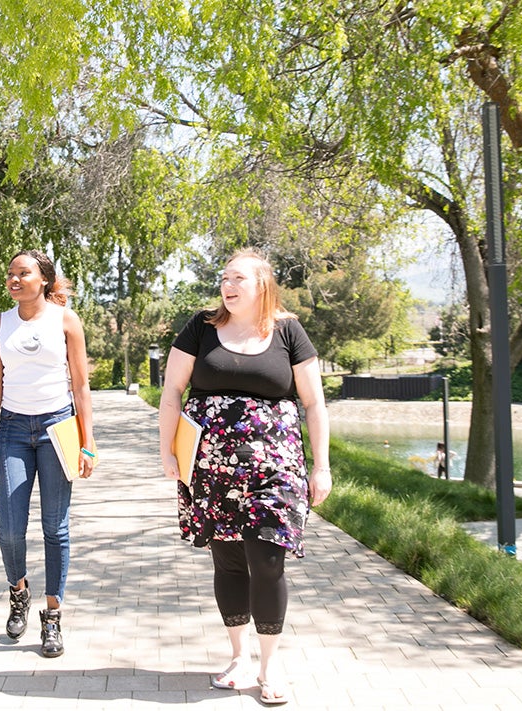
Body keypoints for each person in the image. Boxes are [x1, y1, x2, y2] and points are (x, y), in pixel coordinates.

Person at [158, 249, 331, 707]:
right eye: (223, 278)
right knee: (229, 561)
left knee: (268, 559)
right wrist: (168, 450)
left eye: (238, 278)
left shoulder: (288, 330)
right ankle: (239, 656)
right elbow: (173, 392)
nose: (227, 286)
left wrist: (322, 465)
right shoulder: (202, 327)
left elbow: (313, 403)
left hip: (275, 466)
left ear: (262, 284)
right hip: (211, 466)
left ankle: (269, 665)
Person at [0, 249, 96, 658]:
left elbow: (80, 385)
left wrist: (87, 440)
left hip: (57, 427)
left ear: (43, 278)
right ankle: (18, 591)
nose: (13, 279)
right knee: (10, 527)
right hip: (12, 428)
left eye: (22, 273)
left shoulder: (65, 320)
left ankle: (53, 616)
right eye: (9, 273)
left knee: (54, 528)